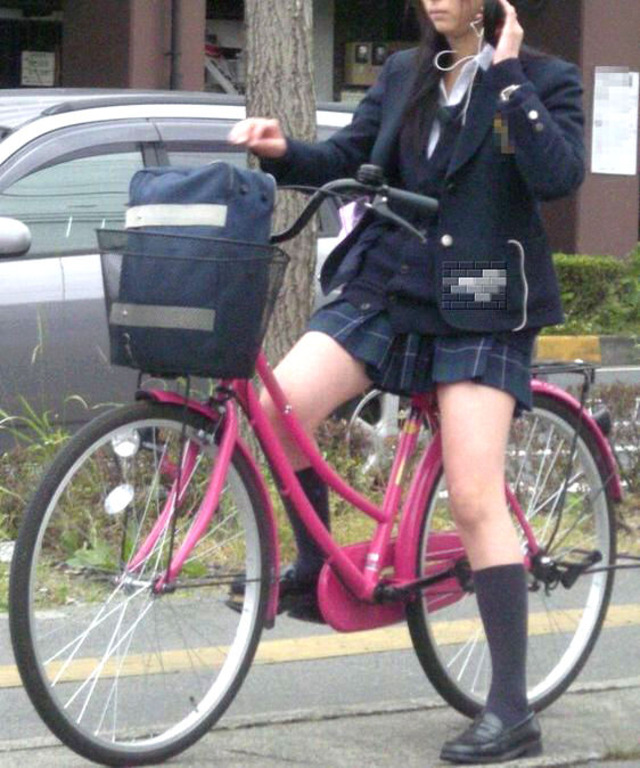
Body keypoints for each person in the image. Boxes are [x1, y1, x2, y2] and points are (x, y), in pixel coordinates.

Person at [229, 0, 584, 762]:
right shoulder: (403, 73)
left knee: (475, 496)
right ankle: (315, 563)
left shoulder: (543, 78)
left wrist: (509, 76)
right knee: (274, 406)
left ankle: (511, 709)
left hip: (483, 302)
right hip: (388, 285)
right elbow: (348, 157)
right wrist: (283, 150)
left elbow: (557, 175)